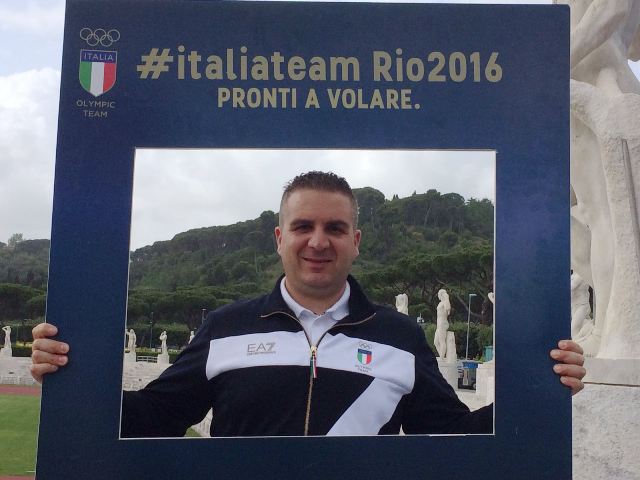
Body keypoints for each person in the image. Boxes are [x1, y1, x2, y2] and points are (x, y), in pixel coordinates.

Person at [31, 171, 586, 437]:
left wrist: (541, 387)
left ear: (355, 241)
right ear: (279, 238)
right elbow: (155, 416)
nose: (318, 241)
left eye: (335, 228)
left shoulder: (400, 337)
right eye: (303, 226)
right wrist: (69, 373)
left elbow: (451, 437)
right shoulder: (225, 327)